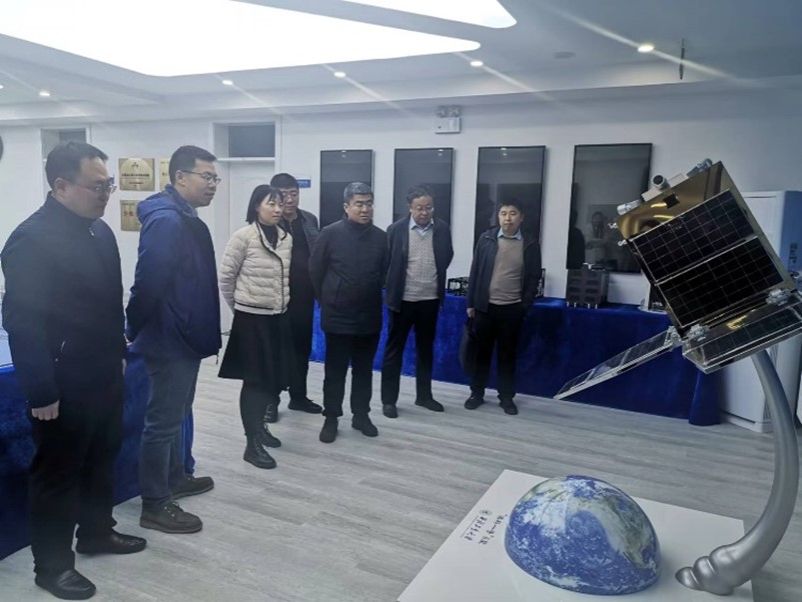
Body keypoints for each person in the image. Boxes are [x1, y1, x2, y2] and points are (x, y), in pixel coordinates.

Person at [1, 142, 146, 600]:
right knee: (58, 474)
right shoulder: (31, 240)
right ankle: (52, 566)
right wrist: (41, 391)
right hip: (62, 383)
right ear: (61, 186)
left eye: (109, 184)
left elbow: (109, 301)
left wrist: (119, 351)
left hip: (104, 373)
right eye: (97, 186)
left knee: (102, 458)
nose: (106, 194)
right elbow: (23, 323)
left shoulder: (98, 231)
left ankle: (97, 532)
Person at [126, 145, 221, 534]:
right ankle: (154, 503)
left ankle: (175, 477)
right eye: (206, 177)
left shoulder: (184, 217)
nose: (213, 185)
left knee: (178, 412)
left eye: (215, 178)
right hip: (169, 338)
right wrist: (132, 327)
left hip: (184, 335)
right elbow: (148, 282)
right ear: (180, 177)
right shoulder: (167, 221)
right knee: (162, 422)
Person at [309, 182, 388, 443]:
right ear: (346, 206)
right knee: (335, 372)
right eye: (359, 204)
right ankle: (331, 417)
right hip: (338, 317)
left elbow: (383, 272)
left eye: (369, 203)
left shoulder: (380, 237)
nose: (365, 209)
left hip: (369, 316)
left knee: (364, 371)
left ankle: (361, 415)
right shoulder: (330, 234)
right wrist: (329, 299)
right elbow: (315, 271)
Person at [218, 186, 290, 469]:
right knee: (254, 383)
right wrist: (240, 309)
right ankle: (252, 444)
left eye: (280, 204)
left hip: (277, 318)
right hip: (251, 320)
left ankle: (261, 428)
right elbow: (226, 279)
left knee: (272, 380)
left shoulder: (286, 238)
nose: (277, 209)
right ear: (256, 206)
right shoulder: (243, 236)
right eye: (271, 204)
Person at [381, 185, 453, 417]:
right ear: (410, 208)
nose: (424, 212)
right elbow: (386, 261)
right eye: (419, 208)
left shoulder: (442, 228)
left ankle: (424, 396)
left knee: (425, 350)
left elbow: (447, 255)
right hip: (402, 300)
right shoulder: (396, 230)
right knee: (394, 351)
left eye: (428, 208)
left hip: (429, 299)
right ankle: (389, 401)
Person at [464, 198, 541, 415]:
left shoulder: (530, 244)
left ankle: (506, 397)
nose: (508, 218)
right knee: (481, 354)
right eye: (503, 213)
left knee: (507, 356)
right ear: (498, 216)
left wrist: (525, 305)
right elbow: (475, 271)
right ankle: (476, 393)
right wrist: (471, 303)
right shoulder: (486, 239)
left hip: (512, 309)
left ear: (521, 217)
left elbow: (534, 277)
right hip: (485, 308)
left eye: (513, 213)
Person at [269, 172, 322, 422]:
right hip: (276, 297)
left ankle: (298, 397)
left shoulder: (309, 219)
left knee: (302, 348)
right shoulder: (268, 221)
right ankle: (271, 402)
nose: (290, 200)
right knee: (276, 351)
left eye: (294, 193)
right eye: (284, 195)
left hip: (304, 296)